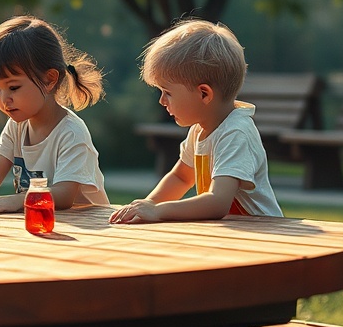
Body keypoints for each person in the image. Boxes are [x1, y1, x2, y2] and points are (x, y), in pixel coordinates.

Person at [109, 19, 282, 224]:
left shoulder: (235, 133)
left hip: (265, 235)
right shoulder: (200, 129)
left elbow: (218, 202)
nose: (162, 101)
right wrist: (147, 206)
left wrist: (158, 211)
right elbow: (181, 177)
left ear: (203, 94)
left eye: (168, 92)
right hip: (233, 233)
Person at [0, 15, 109, 215]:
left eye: (13, 87)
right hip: (46, 224)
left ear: (49, 79)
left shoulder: (71, 133)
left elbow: (64, 195)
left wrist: (19, 200)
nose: (4, 99)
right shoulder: (16, 126)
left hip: (87, 228)